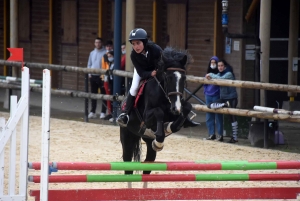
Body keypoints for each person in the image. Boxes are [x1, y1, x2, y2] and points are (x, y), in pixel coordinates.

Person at [117, 28, 199, 128]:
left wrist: (159, 71)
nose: (136, 47)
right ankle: (125, 114)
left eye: (138, 43)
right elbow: (141, 72)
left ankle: (185, 118)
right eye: (133, 44)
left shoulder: (155, 49)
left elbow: (164, 62)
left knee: (172, 85)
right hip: (143, 72)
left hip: (158, 69)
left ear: (144, 42)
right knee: (134, 88)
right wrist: (150, 73)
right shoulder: (133, 55)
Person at [205, 59, 238, 143]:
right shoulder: (219, 73)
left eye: (221, 66)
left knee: (232, 117)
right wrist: (209, 76)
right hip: (223, 99)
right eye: (219, 66)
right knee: (210, 105)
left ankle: (235, 138)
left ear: (225, 66)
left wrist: (211, 74)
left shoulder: (229, 73)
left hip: (231, 98)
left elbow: (221, 79)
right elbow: (217, 77)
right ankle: (225, 105)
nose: (220, 67)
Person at [203, 56, 224, 141]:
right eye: (211, 63)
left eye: (214, 63)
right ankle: (211, 134)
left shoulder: (219, 74)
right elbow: (204, 84)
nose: (213, 64)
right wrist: (205, 91)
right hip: (208, 95)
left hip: (216, 95)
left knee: (218, 116)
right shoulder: (207, 74)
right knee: (209, 116)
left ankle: (220, 135)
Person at [87, 37, 107, 119]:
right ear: (94, 43)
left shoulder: (105, 53)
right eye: (96, 42)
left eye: (99, 42)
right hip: (93, 76)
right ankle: (93, 111)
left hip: (101, 76)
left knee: (103, 94)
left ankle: (103, 112)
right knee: (93, 94)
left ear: (101, 43)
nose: (97, 44)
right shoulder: (92, 53)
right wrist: (89, 73)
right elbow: (89, 63)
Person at [100, 40, 114, 120]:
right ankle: (108, 112)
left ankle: (111, 113)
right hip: (105, 78)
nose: (108, 48)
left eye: (110, 46)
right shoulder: (104, 56)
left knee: (110, 96)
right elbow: (103, 66)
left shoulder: (114, 55)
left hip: (111, 78)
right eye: (107, 46)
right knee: (106, 97)